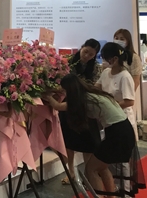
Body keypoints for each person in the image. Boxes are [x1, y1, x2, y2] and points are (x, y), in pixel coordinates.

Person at [45, 74, 136, 196]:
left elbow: (58, 106)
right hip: (124, 129)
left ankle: (99, 196)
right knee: (102, 167)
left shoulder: (82, 100)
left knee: (91, 169)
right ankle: (112, 196)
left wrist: (46, 96)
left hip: (117, 133)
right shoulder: (92, 94)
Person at [59, 39, 101, 185]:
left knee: (88, 142)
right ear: (81, 47)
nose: (87, 56)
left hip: (85, 107)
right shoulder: (67, 61)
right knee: (68, 141)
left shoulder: (95, 67)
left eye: (91, 54)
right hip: (67, 105)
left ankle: (88, 173)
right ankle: (70, 172)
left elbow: (94, 87)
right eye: (85, 51)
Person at [97, 42, 137, 139]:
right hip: (109, 119)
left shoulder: (125, 76)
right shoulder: (106, 72)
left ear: (115, 59)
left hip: (123, 119)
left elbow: (129, 101)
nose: (103, 61)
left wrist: (110, 106)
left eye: (106, 59)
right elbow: (97, 88)